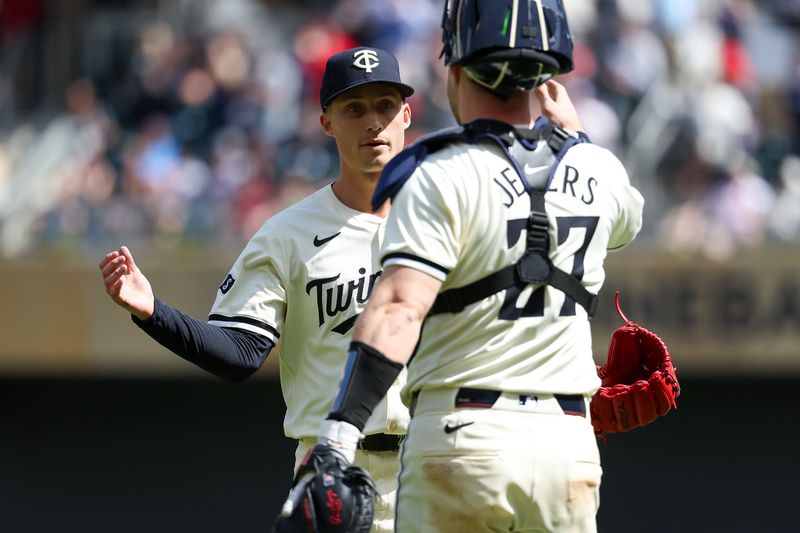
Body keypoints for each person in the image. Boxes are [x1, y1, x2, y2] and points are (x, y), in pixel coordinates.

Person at [100, 44, 586, 532]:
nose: (372, 122)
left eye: (384, 106)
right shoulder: (287, 234)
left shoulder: (456, 214)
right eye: (354, 109)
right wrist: (152, 312)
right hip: (337, 478)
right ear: (327, 122)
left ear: (406, 115)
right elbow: (240, 353)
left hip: (444, 461)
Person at [298, 1, 645, 532]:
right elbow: (624, 221)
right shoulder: (598, 168)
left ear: (454, 73)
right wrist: (578, 140)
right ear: (550, 77)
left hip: (462, 438)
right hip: (569, 446)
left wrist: (337, 438)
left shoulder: (438, 172)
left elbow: (397, 309)